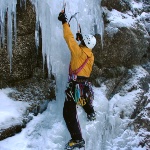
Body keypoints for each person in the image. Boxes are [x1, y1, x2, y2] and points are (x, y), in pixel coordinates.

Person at [58, 11, 96, 150]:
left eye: (82, 40)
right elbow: (83, 45)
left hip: (75, 85)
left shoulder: (78, 52)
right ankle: (91, 112)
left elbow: (69, 38)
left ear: (83, 42)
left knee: (68, 112)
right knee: (84, 99)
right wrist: (82, 39)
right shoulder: (90, 55)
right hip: (84, 85)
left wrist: (64, 22)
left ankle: (78, 139)